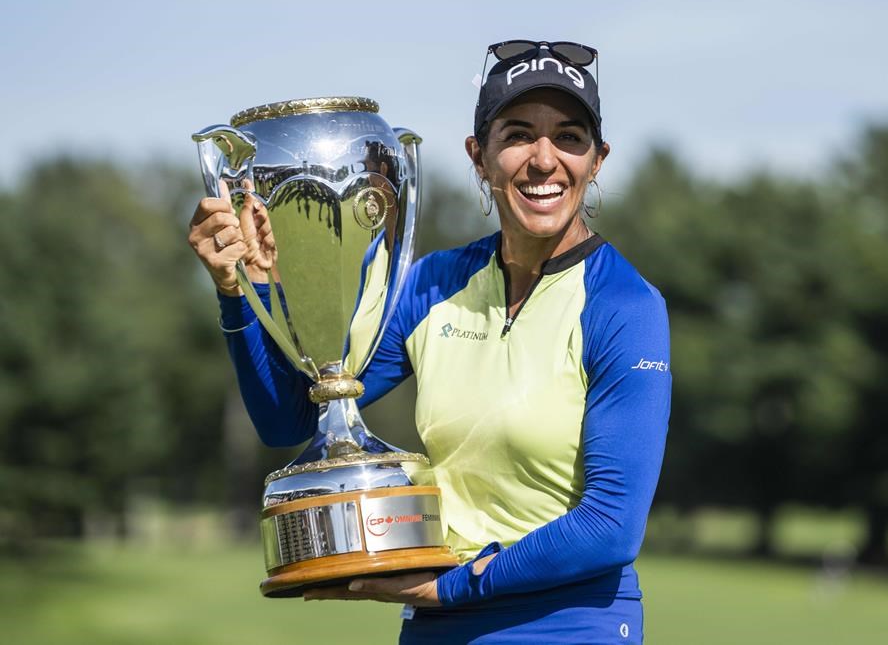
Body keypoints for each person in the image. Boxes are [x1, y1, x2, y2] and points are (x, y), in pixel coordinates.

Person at [188, 40, 671, 644]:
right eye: (518, 134)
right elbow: (291, 419)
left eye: (569, 138)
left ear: (597, 160)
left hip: (569, 625)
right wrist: (242, 291)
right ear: (480, 155)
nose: (544, 160)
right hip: (438, 629)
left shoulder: (625, 306)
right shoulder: (432, 284)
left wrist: (451, 586)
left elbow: (611, 526)